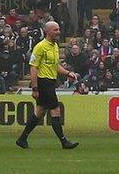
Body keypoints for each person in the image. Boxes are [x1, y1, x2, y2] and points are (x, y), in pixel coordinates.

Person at [16, 20, 79, 150]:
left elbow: (55, 66)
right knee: (55, 110)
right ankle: (64, 142)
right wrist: (35, 88)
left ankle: (22, 139)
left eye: (59, 29)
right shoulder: (40, 47)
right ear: (48, 31)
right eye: (55, 29)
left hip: (51, 81)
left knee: (40, 111)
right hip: (43, 81)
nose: (58, 32)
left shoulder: (55, 46)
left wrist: (68, 73)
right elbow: (33, 68)